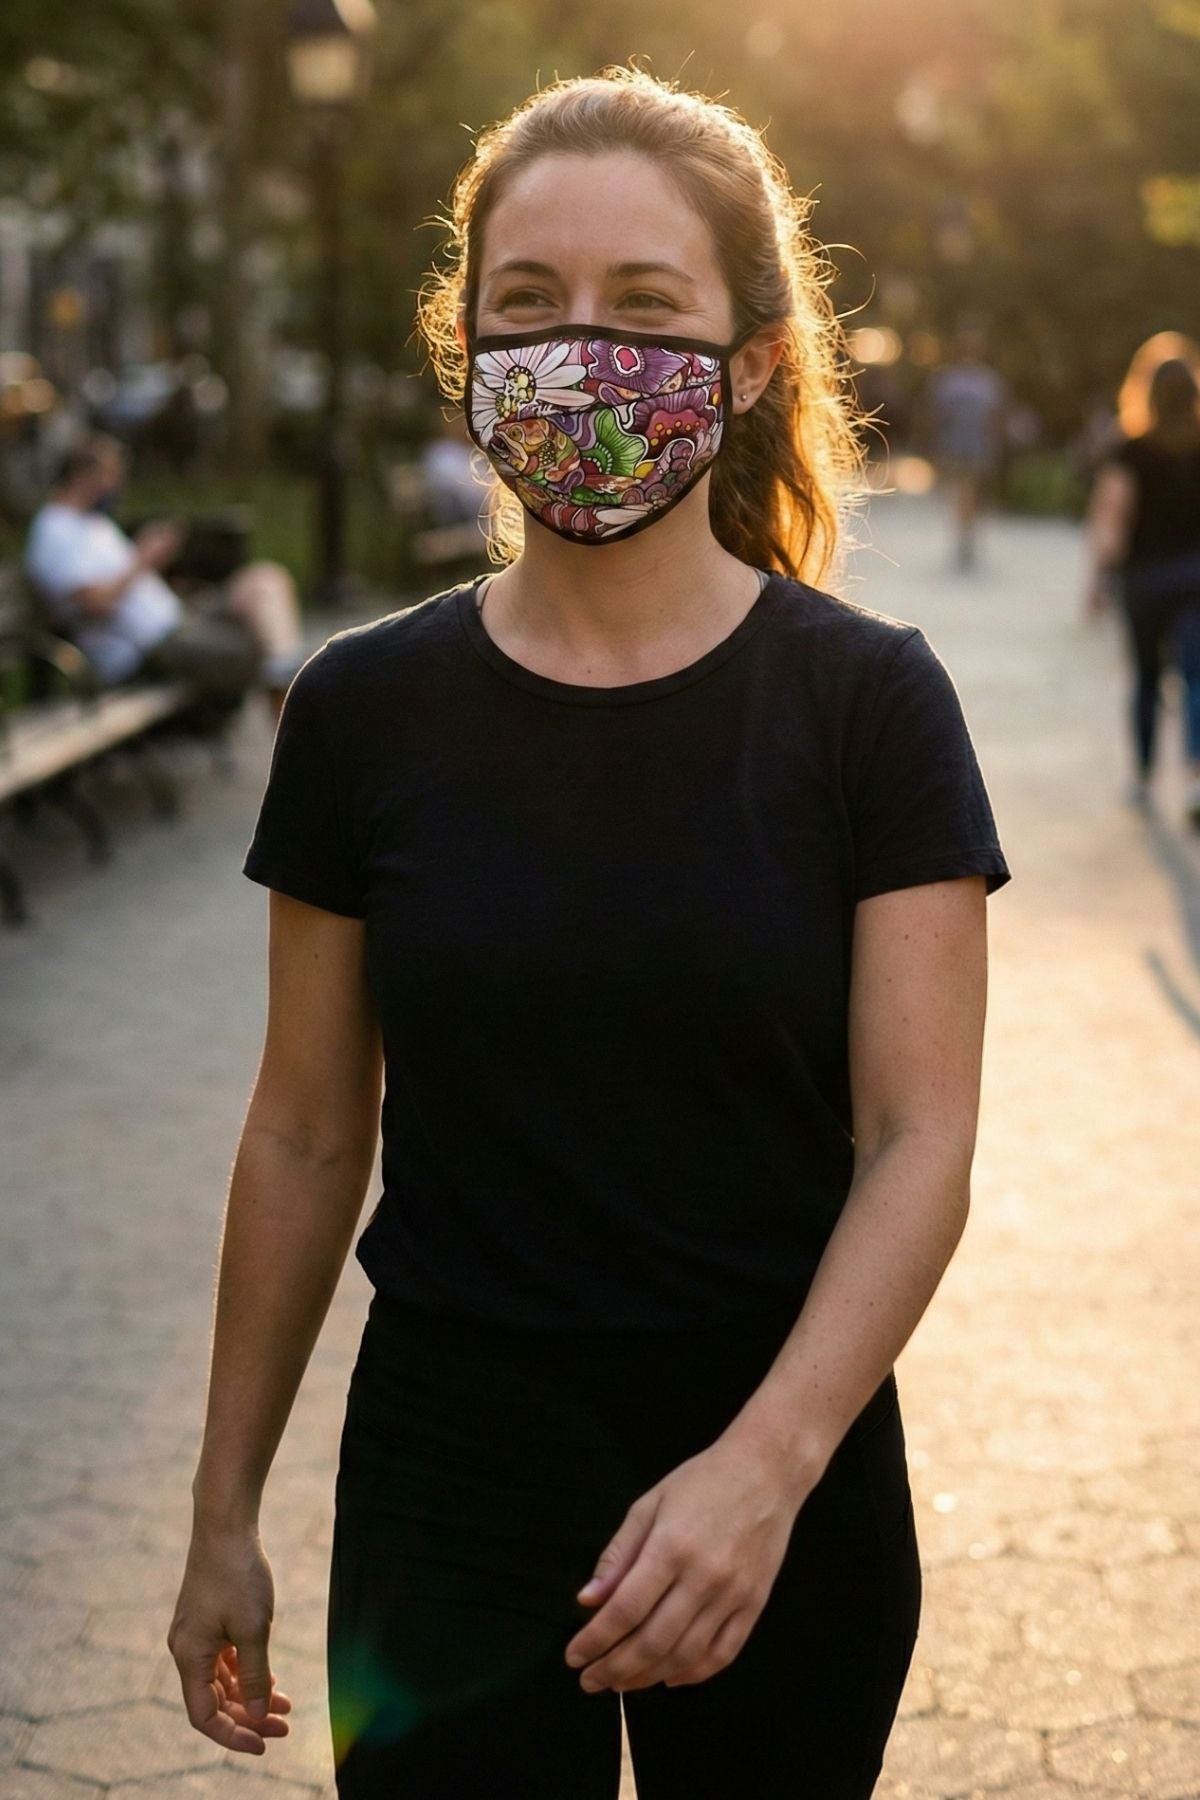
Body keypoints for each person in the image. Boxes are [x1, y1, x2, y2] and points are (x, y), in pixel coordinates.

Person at [168, 65, 1012, 1799]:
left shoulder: (872, 706)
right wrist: (222, 1513)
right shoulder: (360, 711)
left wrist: (762, 1469)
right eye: (528, 305)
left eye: (645, 307)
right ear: (463, 346)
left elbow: (919, 1139)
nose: (579, 351)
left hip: (782, 1458)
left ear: (755, 358)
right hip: (447, 1482)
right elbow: (311, 1131)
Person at [24, 432, 307, 724]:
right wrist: (144, 559)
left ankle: (282, 679)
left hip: (177, 620)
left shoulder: (93, 522)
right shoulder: (54, 530)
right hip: (145, 651)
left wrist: (159, 571)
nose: (117, 485)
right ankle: (287, 706)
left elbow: (127, 583)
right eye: (111, 475)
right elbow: (96, 604)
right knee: (256, 645)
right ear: (82, 476)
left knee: (264, 582)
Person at [1083, 340, 1200, 826]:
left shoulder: (1130, 448)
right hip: (1196, 578)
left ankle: (1144, 777)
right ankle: (1196, 781)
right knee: (1197, 678)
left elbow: (1113, 517)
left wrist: (1096, 579)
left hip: (1145, 580)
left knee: (1147, 679)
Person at [920, 322, 1010, 572]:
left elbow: (996, 417)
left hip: (979, 447)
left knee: (974, 495)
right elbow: (937, 416)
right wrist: (935, 446)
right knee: (961, 492)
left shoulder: (988, 382)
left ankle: (968, 536)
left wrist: (997, 446)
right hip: (955, 446)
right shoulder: (948, 381)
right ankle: (963, 538)